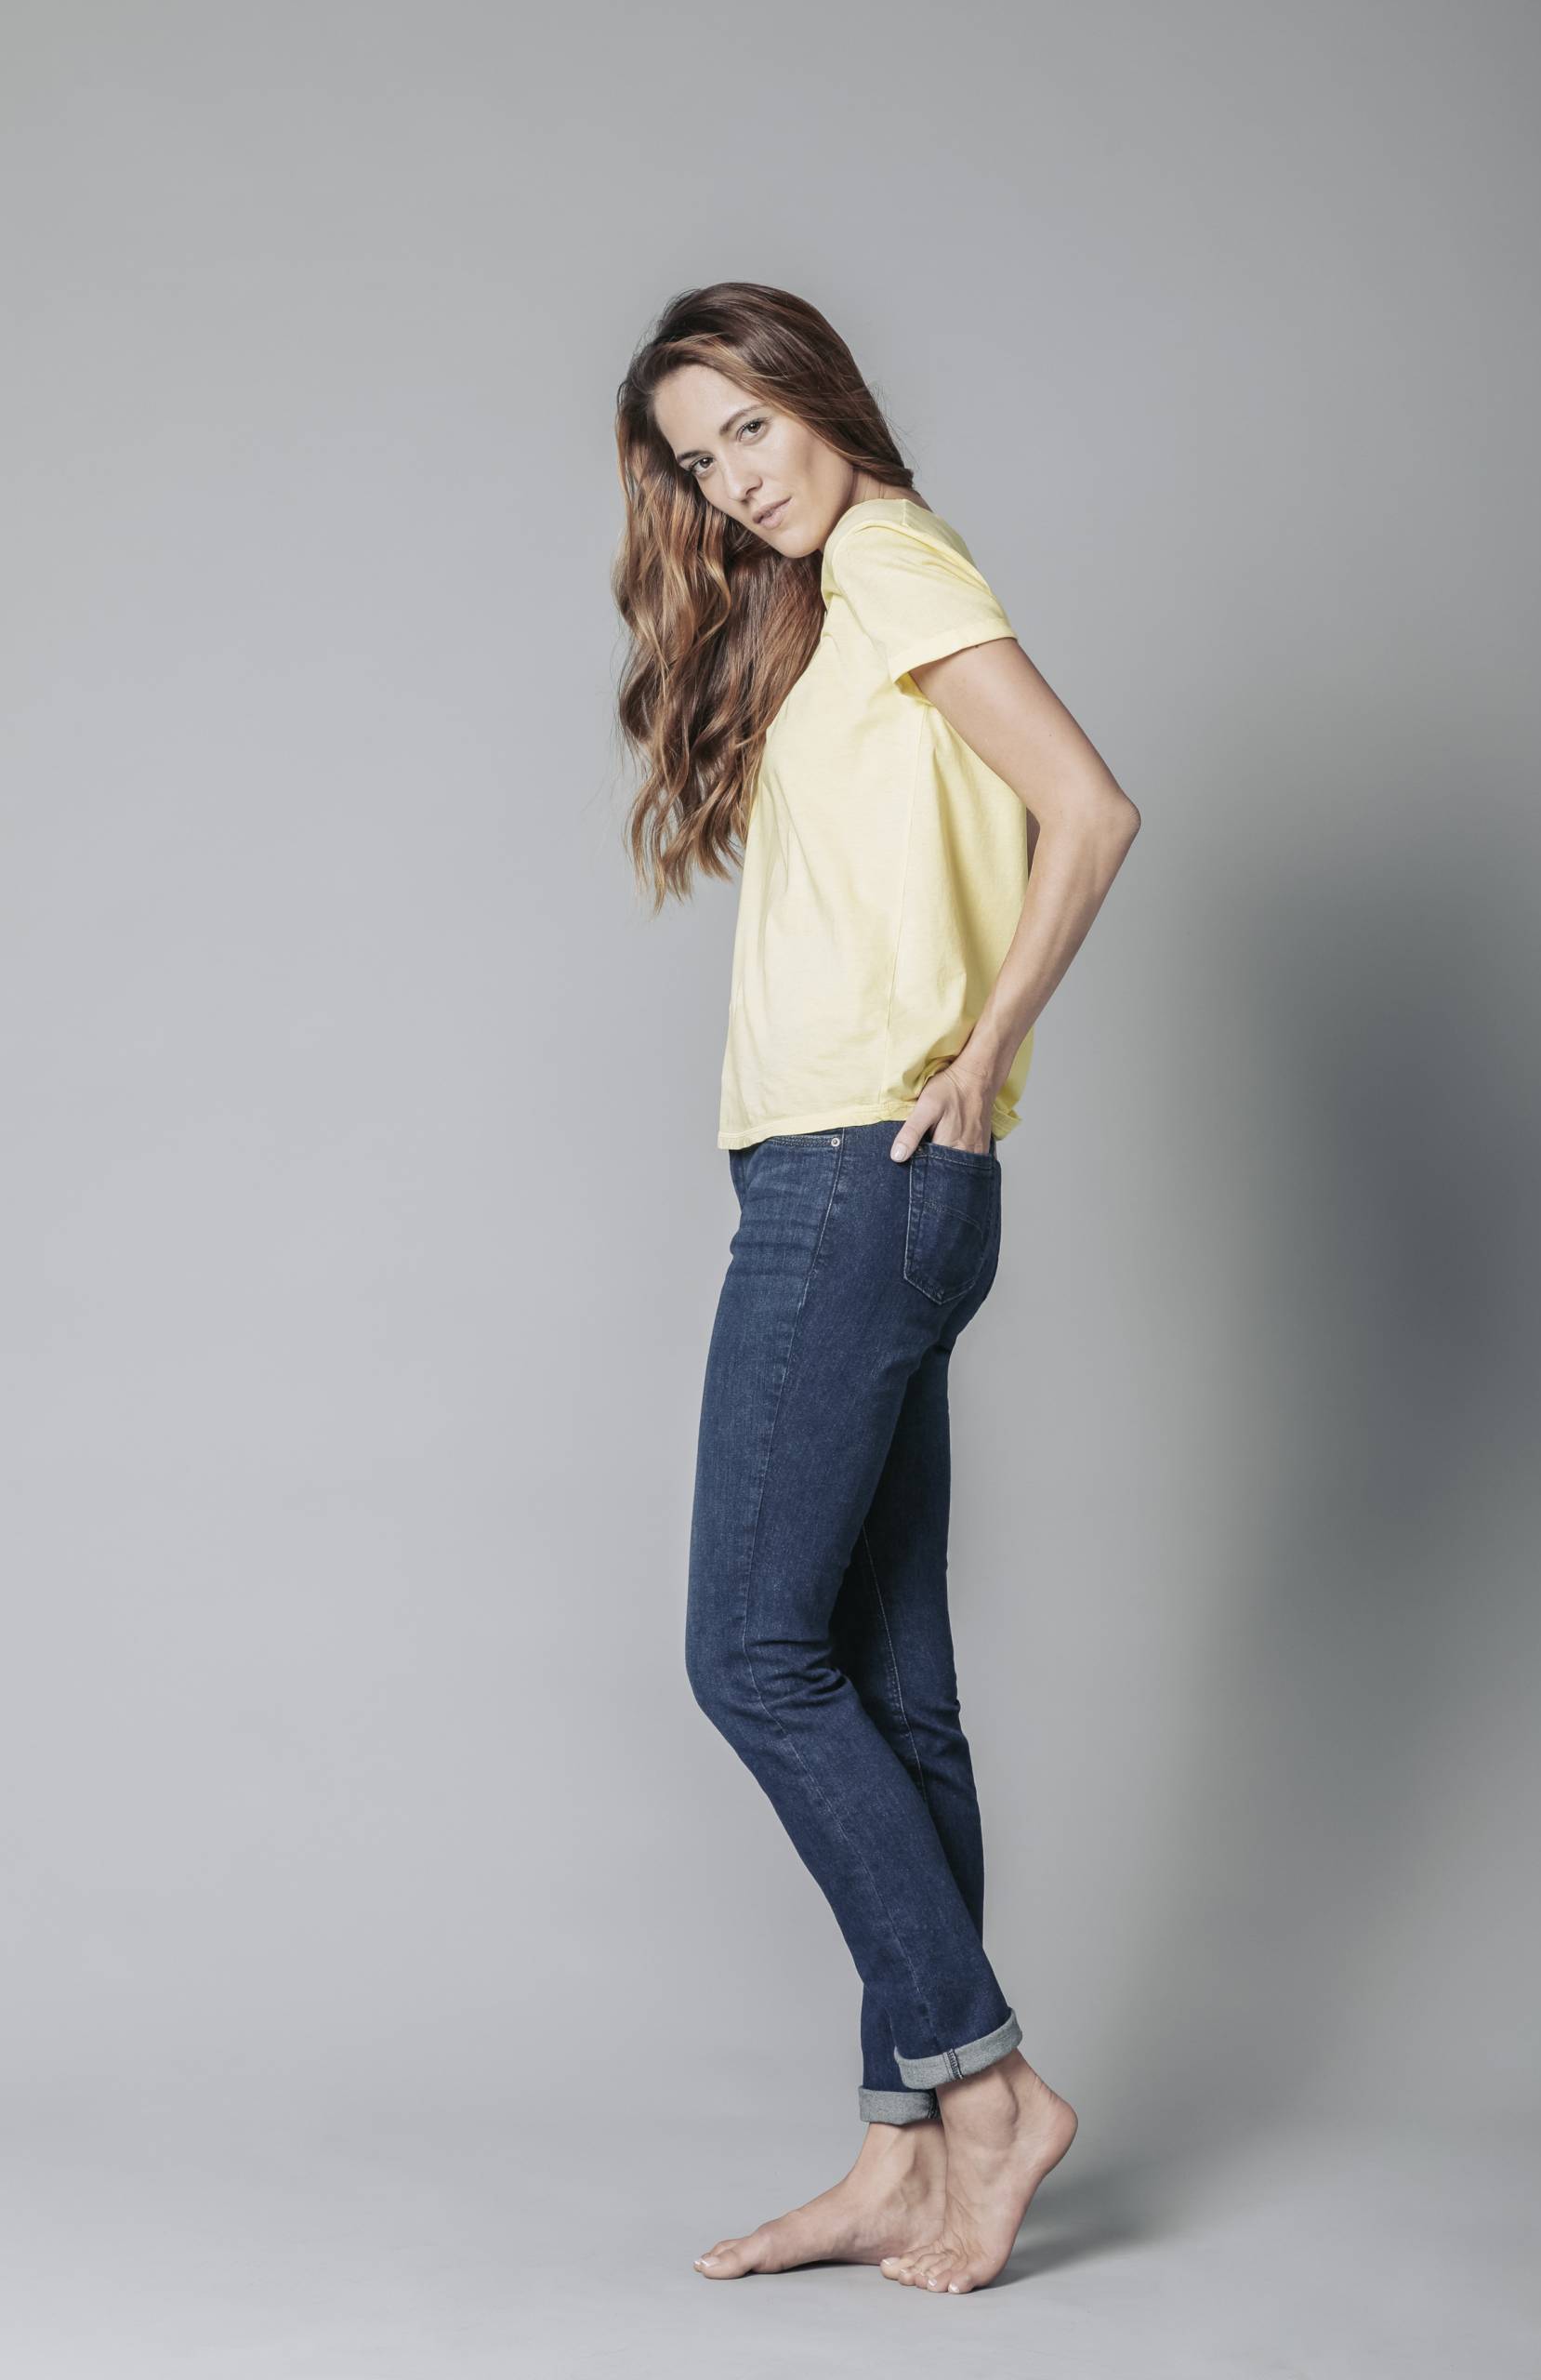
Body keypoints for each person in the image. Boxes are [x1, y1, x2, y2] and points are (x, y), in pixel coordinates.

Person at [612, 284, 1140, 2295]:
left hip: (862, 1167)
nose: (733, 481)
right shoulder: (831, 599)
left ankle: (985, 2086)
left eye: (748, 427)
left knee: (750, 1652)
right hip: (839, 1171)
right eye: (698, 459)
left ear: (818, 396)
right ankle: (904, 2149)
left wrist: (982, 1054)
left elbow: (1088, 807)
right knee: (888, 1681)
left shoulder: (897, 559)